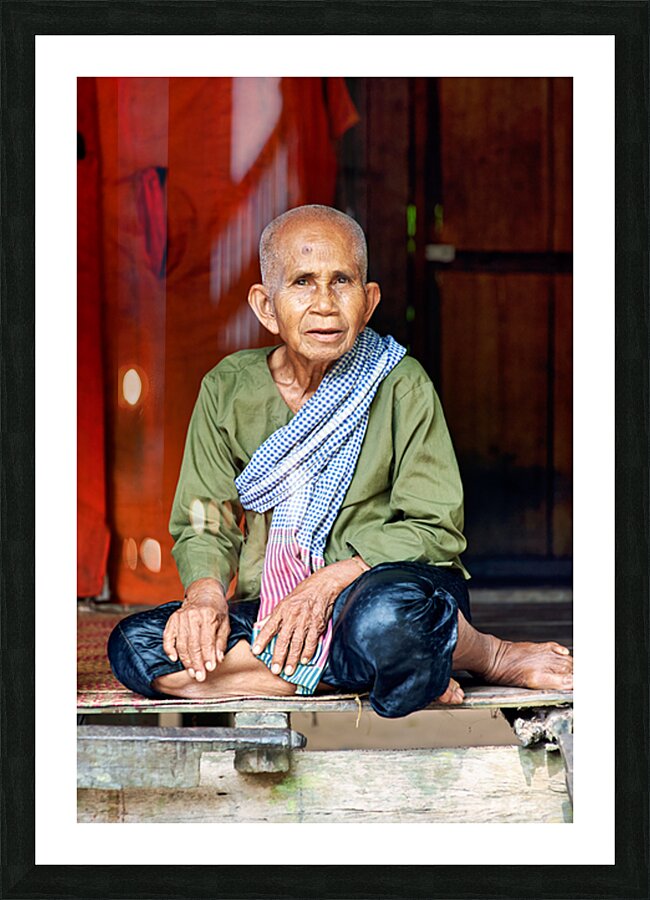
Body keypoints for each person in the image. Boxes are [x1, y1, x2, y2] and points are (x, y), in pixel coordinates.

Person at [107, 204, 573, 718]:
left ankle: (486, 653)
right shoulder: (227, 389)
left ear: (368, 301)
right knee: (137, 646)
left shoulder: (401, 383)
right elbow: (206, 521)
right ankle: (394, 669)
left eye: (342, 281)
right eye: (303, 282)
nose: (325, 304)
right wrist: (205, 598)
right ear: (266, 306)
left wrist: (326, 583)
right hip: (274, 610)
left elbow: (435, 528)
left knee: (389, 622)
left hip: (381, 589)